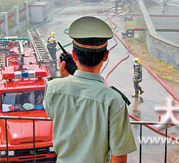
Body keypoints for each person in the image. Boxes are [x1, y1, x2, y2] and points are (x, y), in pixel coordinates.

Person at [44, 16, 136, 163]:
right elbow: (119, 157)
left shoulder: (53, 88)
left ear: (74, 55)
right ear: (106, 56)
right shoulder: (114, 100)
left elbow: (53, 112)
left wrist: (63, 79)